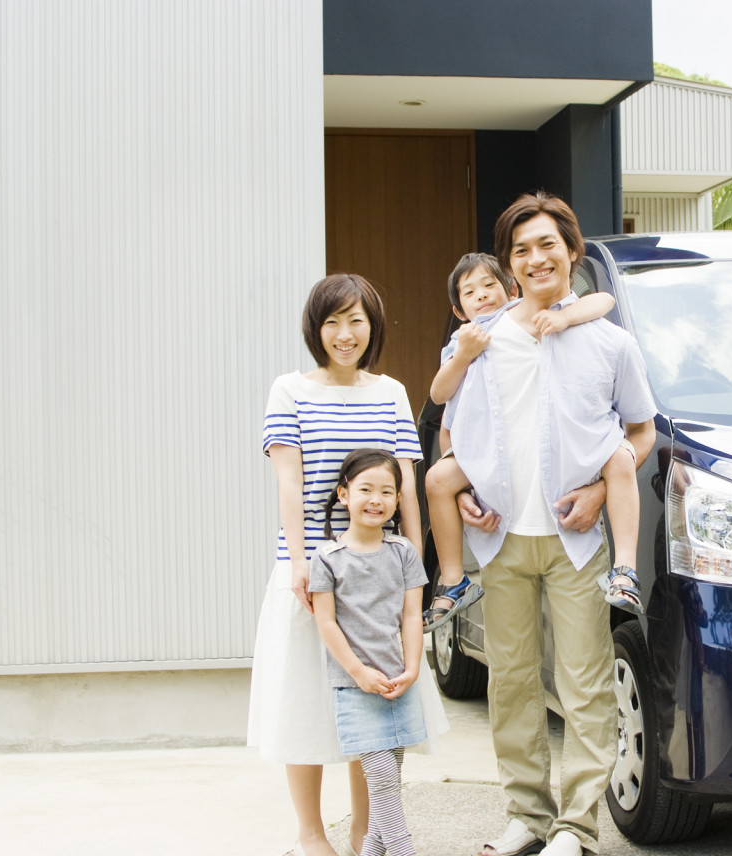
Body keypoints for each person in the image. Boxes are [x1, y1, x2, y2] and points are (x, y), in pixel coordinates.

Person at [444, 193, 657, 856]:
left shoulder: (611, 343)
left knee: (584, 682)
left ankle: (576, 826)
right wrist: (455, 488)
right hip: (502, 537)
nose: (536, 259)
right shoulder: (481, 338)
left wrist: (600, 489)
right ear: (510, 266)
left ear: (571, 252)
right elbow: (454, 424)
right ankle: (525, 817)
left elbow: (641, 432)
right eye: (521, 250)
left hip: (575, 538)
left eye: (546, 245)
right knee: (509, 682)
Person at [248, 273, 426, 856]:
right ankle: (309, 833)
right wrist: (299, 559)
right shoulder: (289, 390)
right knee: (304, 701)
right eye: (332, 321)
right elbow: (290, 481)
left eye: (356, 321)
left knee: (370, 703)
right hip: (309, 570)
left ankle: (362, 830)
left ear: (372, 326)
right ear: (315, 328)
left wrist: (417, 564)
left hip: (378, 569)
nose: (344, 334)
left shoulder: (392, 392)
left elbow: (407, 485)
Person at [423, 253, 641, 633]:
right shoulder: (463, 341)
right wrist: (464, 355)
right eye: (470, 292)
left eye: (489, 285)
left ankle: (626, 570)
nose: (482, 296)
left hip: (556, 498)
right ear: (459, 310)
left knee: (619, 456)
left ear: (511, 290)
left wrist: (564, 317)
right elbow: (441, 399)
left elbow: (603, 301)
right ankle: (453, 579)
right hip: (489, 469)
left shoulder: (536, 322)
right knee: (437, 480)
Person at [311, 448, 448, 856]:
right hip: (355, 685)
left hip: (398, 680)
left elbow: (411, 616)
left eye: (387, 492)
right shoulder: (327, 558)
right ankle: (402, 848)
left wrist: (411, 668)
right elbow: (326, 623)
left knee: (394, 771)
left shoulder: (404, 551)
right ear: (343, 494)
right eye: (366, 489)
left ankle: (372, 848)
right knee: (382, 774)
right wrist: (358, 672)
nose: (376, 499)